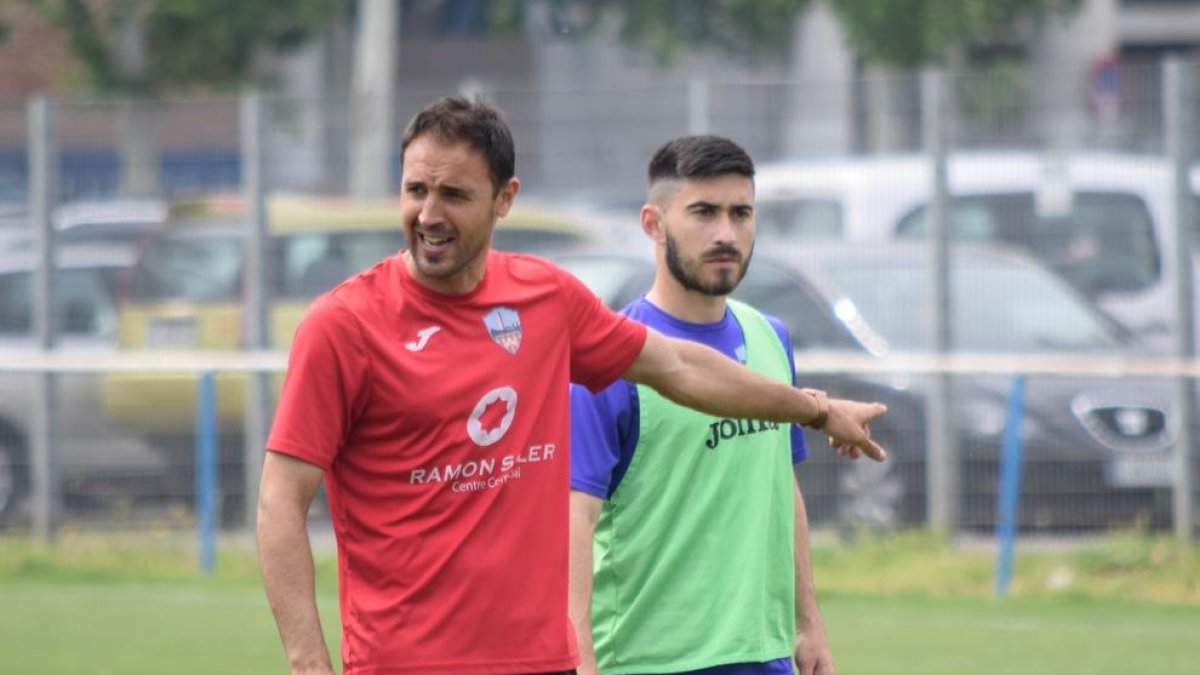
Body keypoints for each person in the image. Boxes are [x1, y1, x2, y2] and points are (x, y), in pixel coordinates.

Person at [256, 96, 887, 675]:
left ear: (505, 199)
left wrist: (815, 409)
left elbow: (680, 367)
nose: (428, 214)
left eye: (453, 194)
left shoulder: (547, 299)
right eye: (415, 189)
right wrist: (310, 665)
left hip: (542, 662)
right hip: (404, 663)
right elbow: (281, 501)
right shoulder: (342, 326)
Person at [568, 136, 835, 675]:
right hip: (650, 661)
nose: (725, 234)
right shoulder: (613, 359)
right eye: (704, 213)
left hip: (765, 655)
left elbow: (782, 484)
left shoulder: (769, 338)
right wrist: (580, 662)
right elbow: (573, 522)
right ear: (653, 223)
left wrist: (808, 625)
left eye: (741, 214)